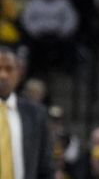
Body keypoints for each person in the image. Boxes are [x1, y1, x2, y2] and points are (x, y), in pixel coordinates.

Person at [0, 46, 54, 179]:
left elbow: (45, 166)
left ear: (19, 73)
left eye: (9, 69)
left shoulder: (36, 114)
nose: (3, 75)